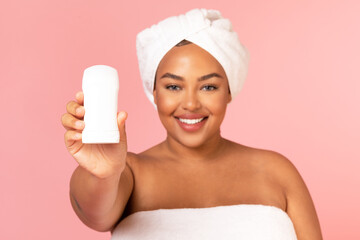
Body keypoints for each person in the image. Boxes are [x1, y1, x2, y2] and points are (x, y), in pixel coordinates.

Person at [61, 8, 322, 240]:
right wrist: (104, 175)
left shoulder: (278, 173)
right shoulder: (127, 175)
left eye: (208, 86)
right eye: (173, 86)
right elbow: (95, 213)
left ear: (229, 90)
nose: (190, 104)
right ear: (155, 92)